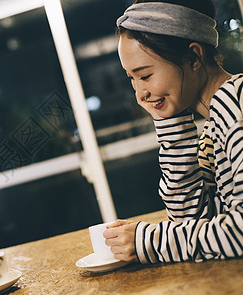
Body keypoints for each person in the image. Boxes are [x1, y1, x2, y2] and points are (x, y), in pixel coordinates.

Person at [104, 0, 243, 264]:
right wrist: (172, 124)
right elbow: (192, 223)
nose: (140, 94)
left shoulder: (236, 104)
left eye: (145, 76)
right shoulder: (213, 129)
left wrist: (148, 241)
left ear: (193, 57)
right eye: (131, 79)